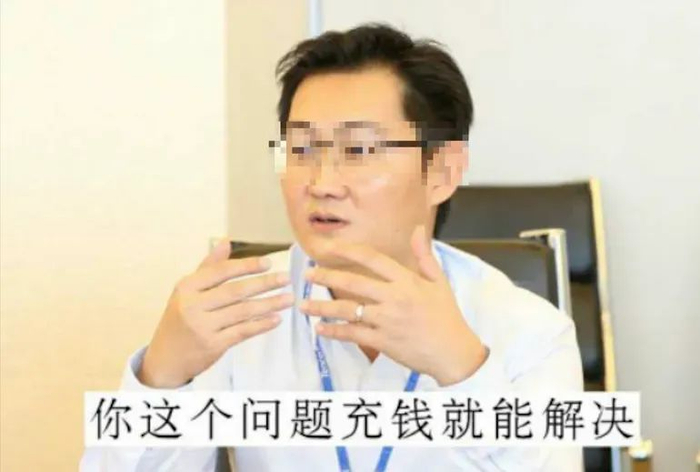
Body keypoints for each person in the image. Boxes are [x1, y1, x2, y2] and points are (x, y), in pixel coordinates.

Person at [81, 23, 583, 471]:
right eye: (301, 149)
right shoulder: (239, 313)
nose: (321, 182)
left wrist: (462, 369)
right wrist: (161, 376)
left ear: (443, 171)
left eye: (358, 150)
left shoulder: (528, 332)